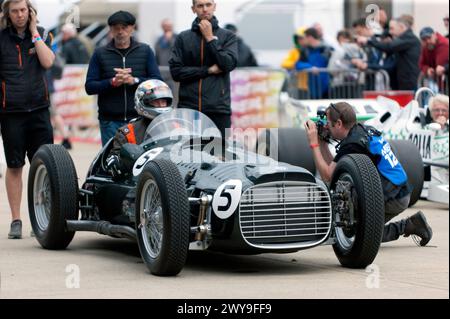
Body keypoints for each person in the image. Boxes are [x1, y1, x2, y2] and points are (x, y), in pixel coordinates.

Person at [304, 102, 433, 246]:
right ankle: (412, 224)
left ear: (339, 123)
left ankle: (408, 226)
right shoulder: (361, 131)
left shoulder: (353, 144)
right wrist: (322, 143)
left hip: (393, 196)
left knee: (357, 236)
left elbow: (328, 176)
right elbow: (334, 170)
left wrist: (314, 144)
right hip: (398, 191)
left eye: (328, 123)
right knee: (355, 231)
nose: (326, 126)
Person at [0, 0, 55, 239]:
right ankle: (16, 220)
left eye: (23, 10)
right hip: (11, 112)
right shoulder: (1, 38)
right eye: (15, 11)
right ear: (8, 14)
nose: (20, 15)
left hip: (39, 110)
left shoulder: (42, 34)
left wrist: (34, 32)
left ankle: (41, 217)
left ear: (30, 11)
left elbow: (48, 61)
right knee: (14, 166)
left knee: (43, 165)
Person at [85, 10, 162, 146]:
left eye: (124, 27)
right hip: (110, 120)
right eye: (116, 28)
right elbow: (89, 86)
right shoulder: (100, 53)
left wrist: (134, 81)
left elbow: (157, 81)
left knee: (139, 160)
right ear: (111, 30)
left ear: (132, 28)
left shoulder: (145, 51)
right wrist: (112, 82)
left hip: (140, 119)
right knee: (112, 161)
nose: (120, 31)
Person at [169, 0, 238, 139]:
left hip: (218, 109)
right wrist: (208, 71)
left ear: (214, 7)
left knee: (220, 156)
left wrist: (210, 39)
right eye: (200, 6)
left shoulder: (228, 36)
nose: (205, 9)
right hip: (188, 109)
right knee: (188, 157)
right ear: (193, 9)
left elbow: (228, 64)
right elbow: (176, 72)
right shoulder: (183, 37)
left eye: (208, 5)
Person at [106, 79, 173, 177]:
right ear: (144, 102)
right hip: (138, 180)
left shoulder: (177, 126)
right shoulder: (127, 132)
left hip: (175, 175)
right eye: (156, 101)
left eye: (163, 101)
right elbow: (114, 161)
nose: (161, 105)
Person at [357, 16, 421, 91]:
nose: (390, 32)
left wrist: (369, 41)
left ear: (401, 27)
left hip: (409, 81)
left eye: (392, 28)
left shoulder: (408, 38)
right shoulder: (404, 39)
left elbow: (389, 47)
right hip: (402, 81)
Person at [281, 27, 309, 98]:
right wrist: (294, 64)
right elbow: (284, 63)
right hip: (299, 85)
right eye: (298, 38)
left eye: (301, 38)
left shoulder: (312, 50)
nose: (300, 40)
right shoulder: (295, 51)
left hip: (312, 85)